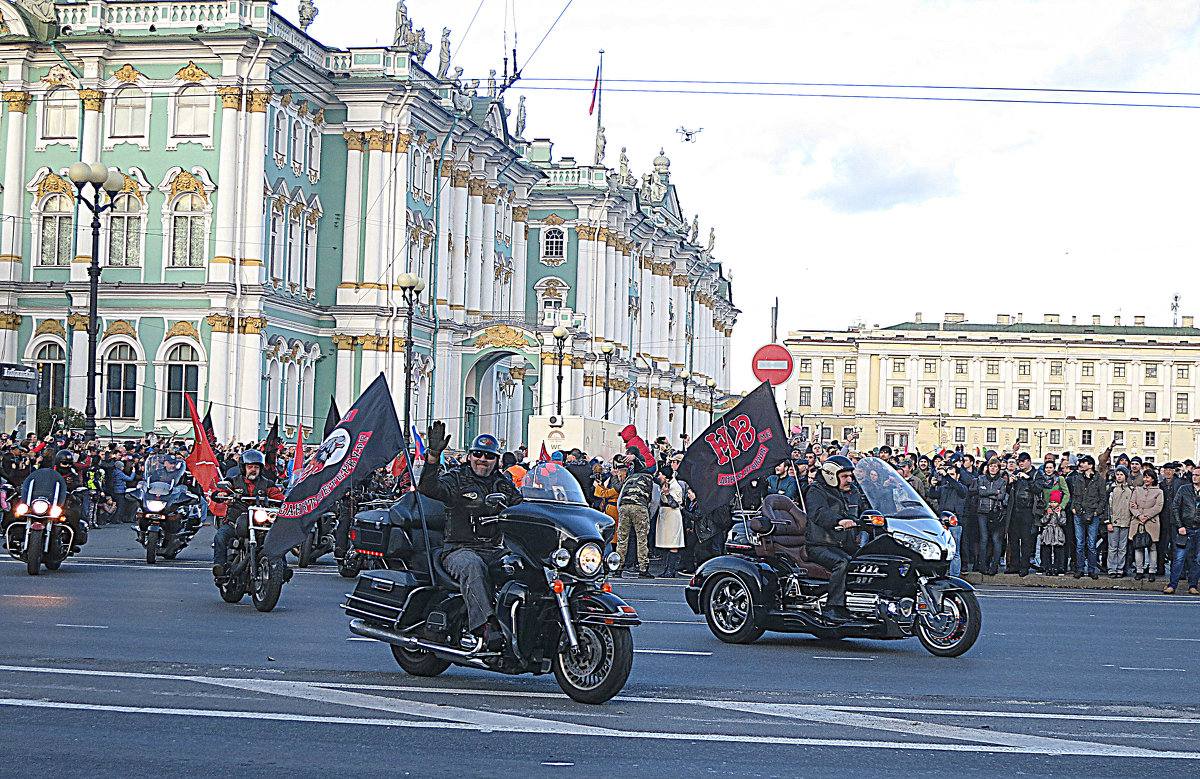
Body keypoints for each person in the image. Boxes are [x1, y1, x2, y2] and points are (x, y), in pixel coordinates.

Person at [417, 425, 522, 650]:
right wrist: (433, 457)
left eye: (489, 456)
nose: (482, 459)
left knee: (522, 565)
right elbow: (428, 488)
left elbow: (522, 508)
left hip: (494, 550)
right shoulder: (456, 479)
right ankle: (486, 626)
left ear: (497, 459)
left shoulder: (504, 484)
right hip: (458, 549)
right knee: (473, 566)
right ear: (470, 456)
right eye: (478, 454)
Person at [211, 449, 285, 579]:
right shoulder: (233, 482)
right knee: (220, 536)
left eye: (256, 467)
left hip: (260, 523)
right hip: (235, 521)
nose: (253, 470)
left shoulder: (267, 484)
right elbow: (218, 493)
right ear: (243, 467)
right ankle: (220, 567)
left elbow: (279, 497)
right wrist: (221, 494)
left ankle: (282, 568)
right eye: (250, 467)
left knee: (277, 539)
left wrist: (285, 502)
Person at [804, 455, 858, 623]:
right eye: (844, 476)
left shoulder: (852, 492)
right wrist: (838, 520)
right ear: (831, 476)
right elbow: (818, 512)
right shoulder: (816, 491)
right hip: (820, 544)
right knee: (842, 562)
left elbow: (866, 507)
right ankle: (833, 607)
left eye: (850, 475)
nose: (849, 479)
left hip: (844, 543)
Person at [1006, 453, 1045, 577]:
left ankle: (1024, 566)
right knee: (1013, 540)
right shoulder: (1017, 473)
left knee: (1026, 541)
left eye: (1023, 461)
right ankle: (1014, 565)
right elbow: (1009, 491)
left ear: (1029, 461)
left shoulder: (1036, 474)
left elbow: (1038, 488)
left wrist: (1028, 479)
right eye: (1019, 462)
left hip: (1028, 511)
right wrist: (1010, 483)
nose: (1021, 464)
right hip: (1014, 510)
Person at [614, 458, 655, 578]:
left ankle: (618, 567)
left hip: (624, 506)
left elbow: (620, 496)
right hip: (639, 507)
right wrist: (648, 515)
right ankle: (643, 569)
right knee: (641, 539)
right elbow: (653, 501)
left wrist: (620, 510)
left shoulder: (629, 479)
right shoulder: (649, 479)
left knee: (622, 539)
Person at [1166, 468, 1200, 595]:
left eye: (1197, 475)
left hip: (1198, 529)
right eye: (1194, 475)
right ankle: (1172, 585)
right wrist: (1180, 525)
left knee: (1197, 559)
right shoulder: (1184, 489)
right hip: (1185, 528)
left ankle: (1193, 585)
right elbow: (1175, 507)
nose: (1194, 477)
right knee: (1179, 558)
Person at [974, 457, 1009, 576]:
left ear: (999, 468)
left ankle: (994, 566)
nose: (993, 468)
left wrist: (988, 492)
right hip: (982, 511)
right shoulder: (981, 478)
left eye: (995, 466)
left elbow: (1002, 496)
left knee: (996, 540)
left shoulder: (1002, 481)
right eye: (991, 466)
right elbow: (981, 492)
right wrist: (995, 491)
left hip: (996, 513)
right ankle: (982, 565)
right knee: (983, 539)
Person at [1129, 469, 1163, 582]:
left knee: (1152, 547)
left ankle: (1152, 570)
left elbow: (1158, 507)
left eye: (1149, 477)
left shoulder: (1159, 492)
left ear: (1153, 478)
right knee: (1138, 546)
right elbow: (1131, 505)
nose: (1146, 479)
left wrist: (1146, 516)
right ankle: (1139, 570)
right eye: (1145, 477)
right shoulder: (1137, 490)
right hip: (1137, 522)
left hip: (1151, 522)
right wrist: (1139, 515)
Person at [655, 469, 684, 577]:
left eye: (661, 474)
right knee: (666, 543)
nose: (659, 476)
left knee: (673, 543)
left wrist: (667, 494)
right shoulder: (664, 485)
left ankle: (670, 570)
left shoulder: (675, 487)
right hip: (665, 515)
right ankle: (667, 569)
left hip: (672, 516)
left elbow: (675, 504)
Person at [1106, 466, 1134, 577]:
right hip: (1114, 521)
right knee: (1112, 547)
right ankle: (1112, 569)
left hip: (1126, 522)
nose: (1119, 476)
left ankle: (1120, 568)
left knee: (1122, 548)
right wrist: (1108, 521)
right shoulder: (1111, 489)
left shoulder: (1130, 490)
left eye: (1121, 474)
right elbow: (1107, 506)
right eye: (1117, 474)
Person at [1039, 489, 1068, 575]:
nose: (1053, 504)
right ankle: (1047, 567)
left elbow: (1063, 522)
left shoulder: (1062, 512)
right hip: (1048, 532)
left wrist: (1059, 514)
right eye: (1051, 502)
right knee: (1046, 550)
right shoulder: (1048, 510)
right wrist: (1048, 515)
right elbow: (1043, 521)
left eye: (1055, 502)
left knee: (1058, 550)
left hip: (1057, 532)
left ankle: (1058, 567)